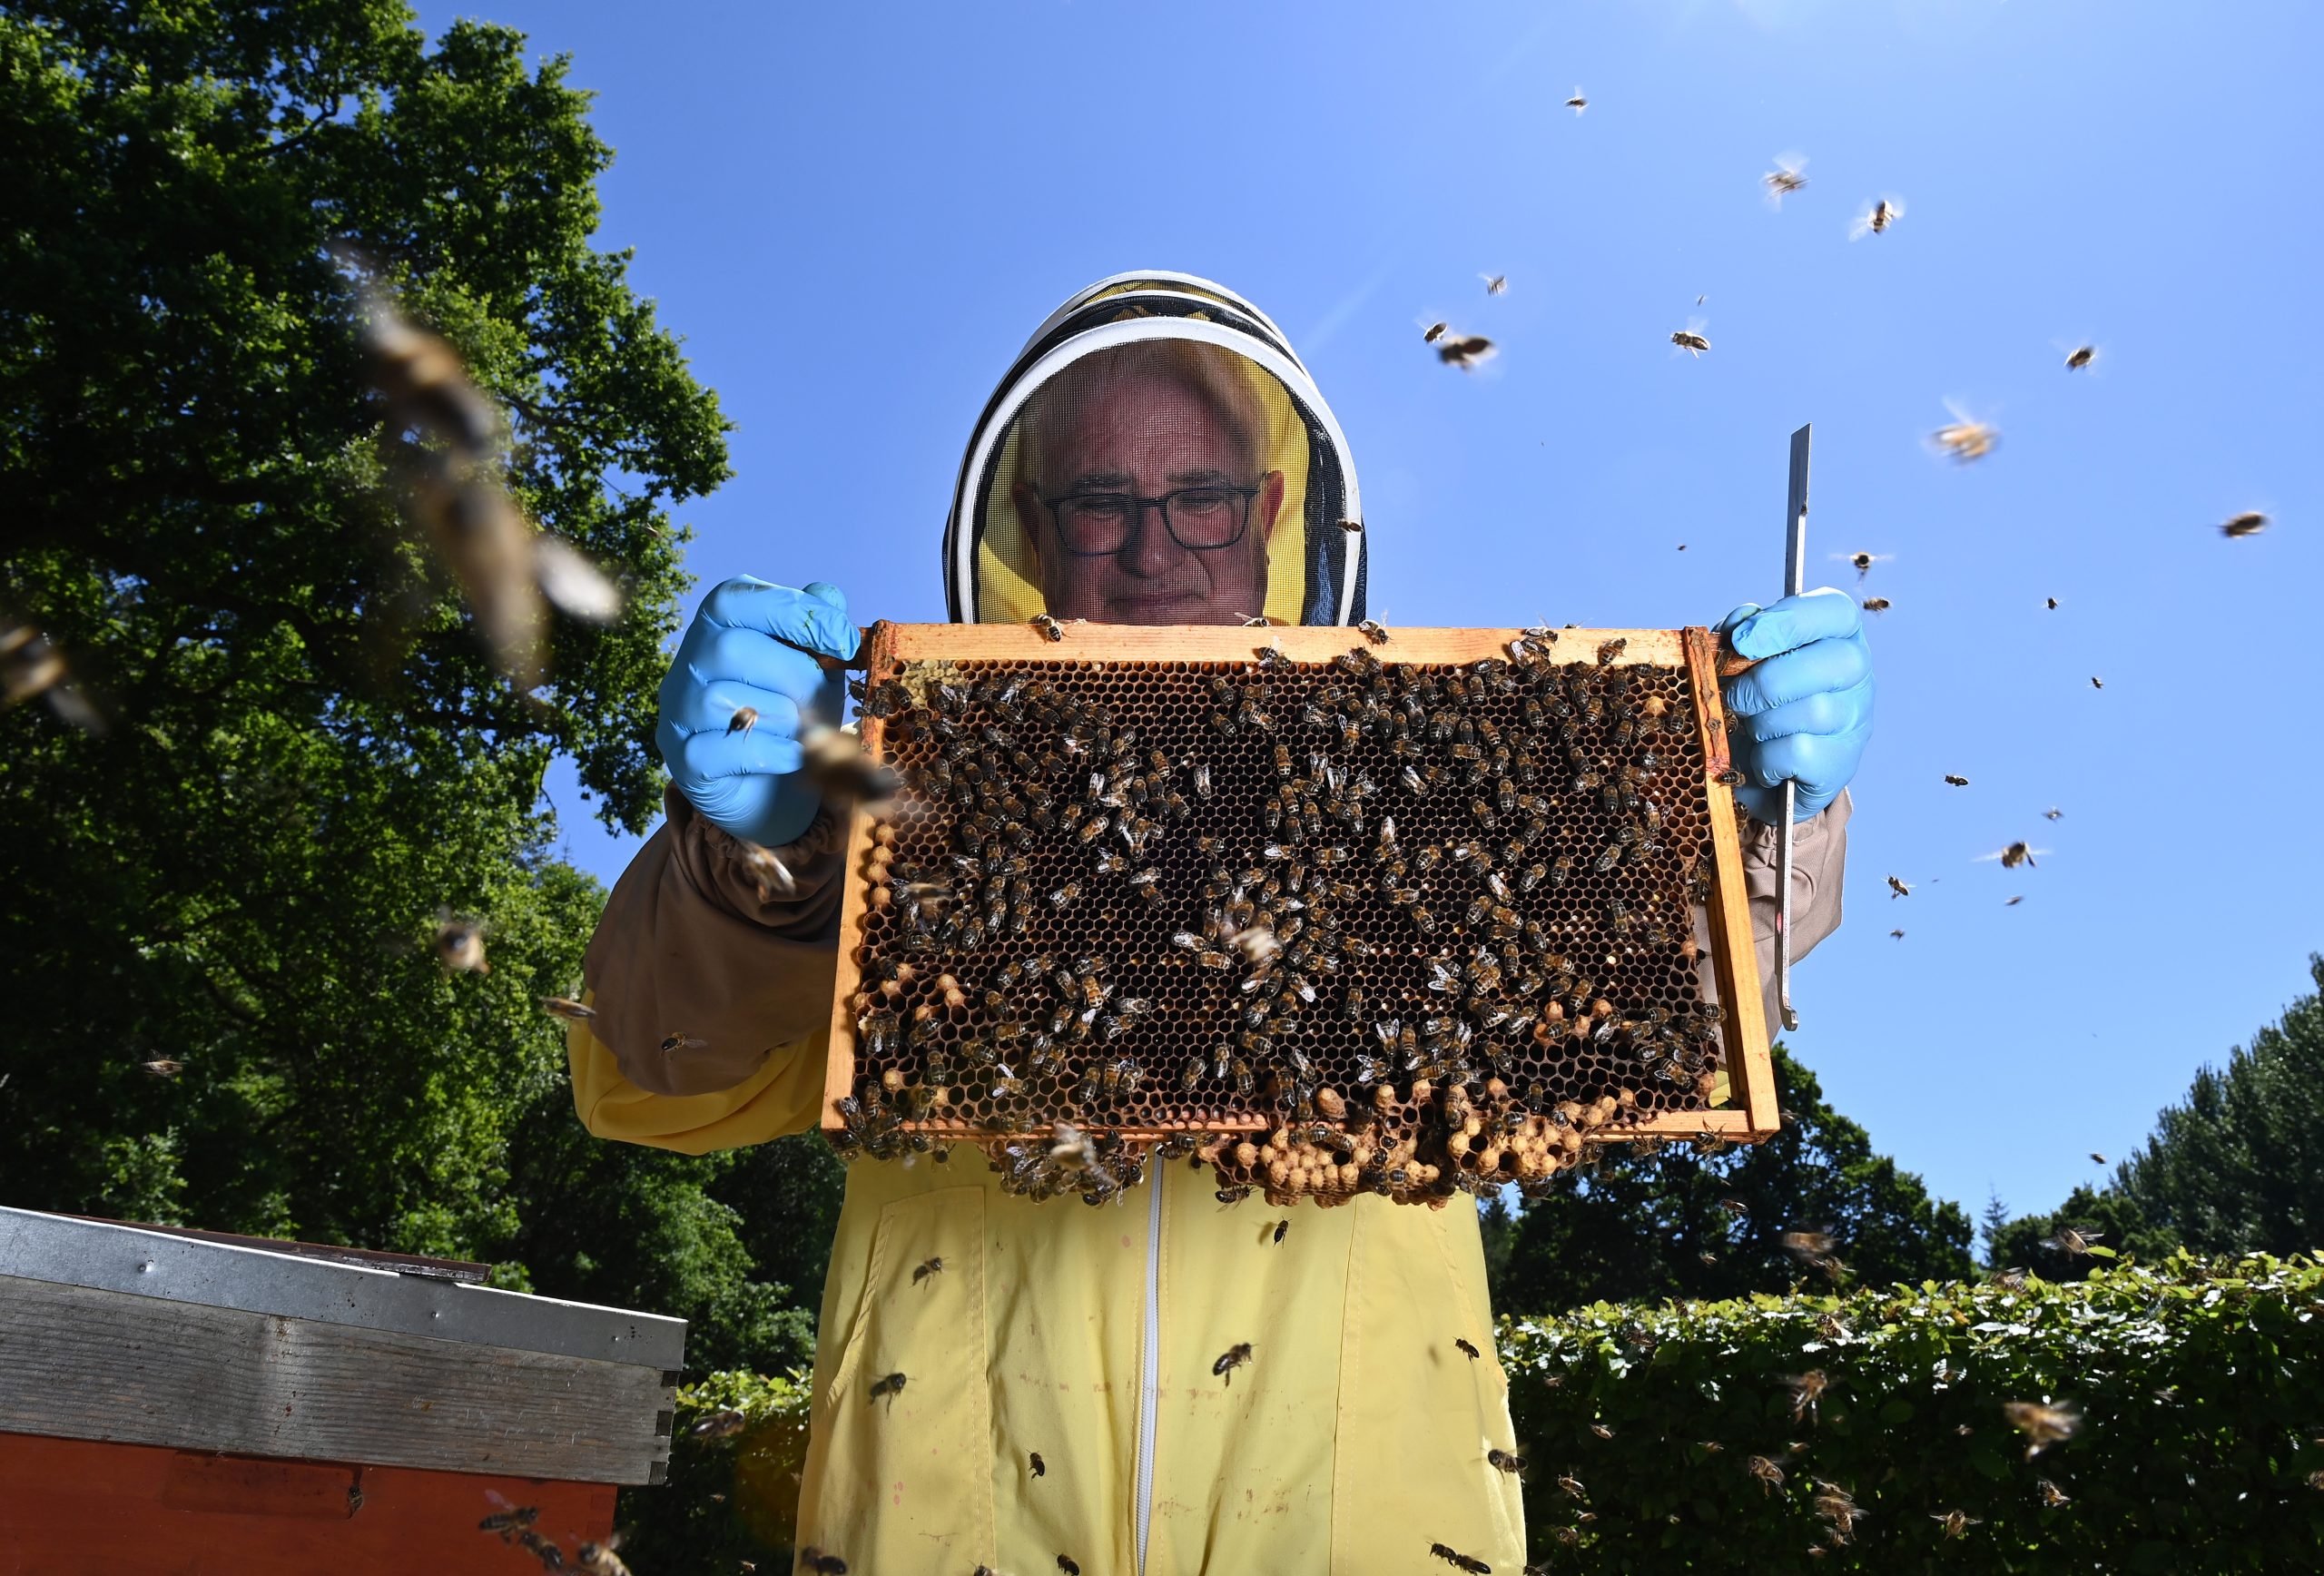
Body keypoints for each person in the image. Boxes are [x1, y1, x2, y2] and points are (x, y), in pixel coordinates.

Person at [567, 273, 1872, 1574]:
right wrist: (762, 858)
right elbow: (648, 1078)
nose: (1152, 551)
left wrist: (1764, 823)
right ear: (1024, 522)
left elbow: (1663, 1008)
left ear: (1273, 520)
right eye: (1100, 503)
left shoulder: (1413, 825)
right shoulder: (912, 823)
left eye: (1198, 499)